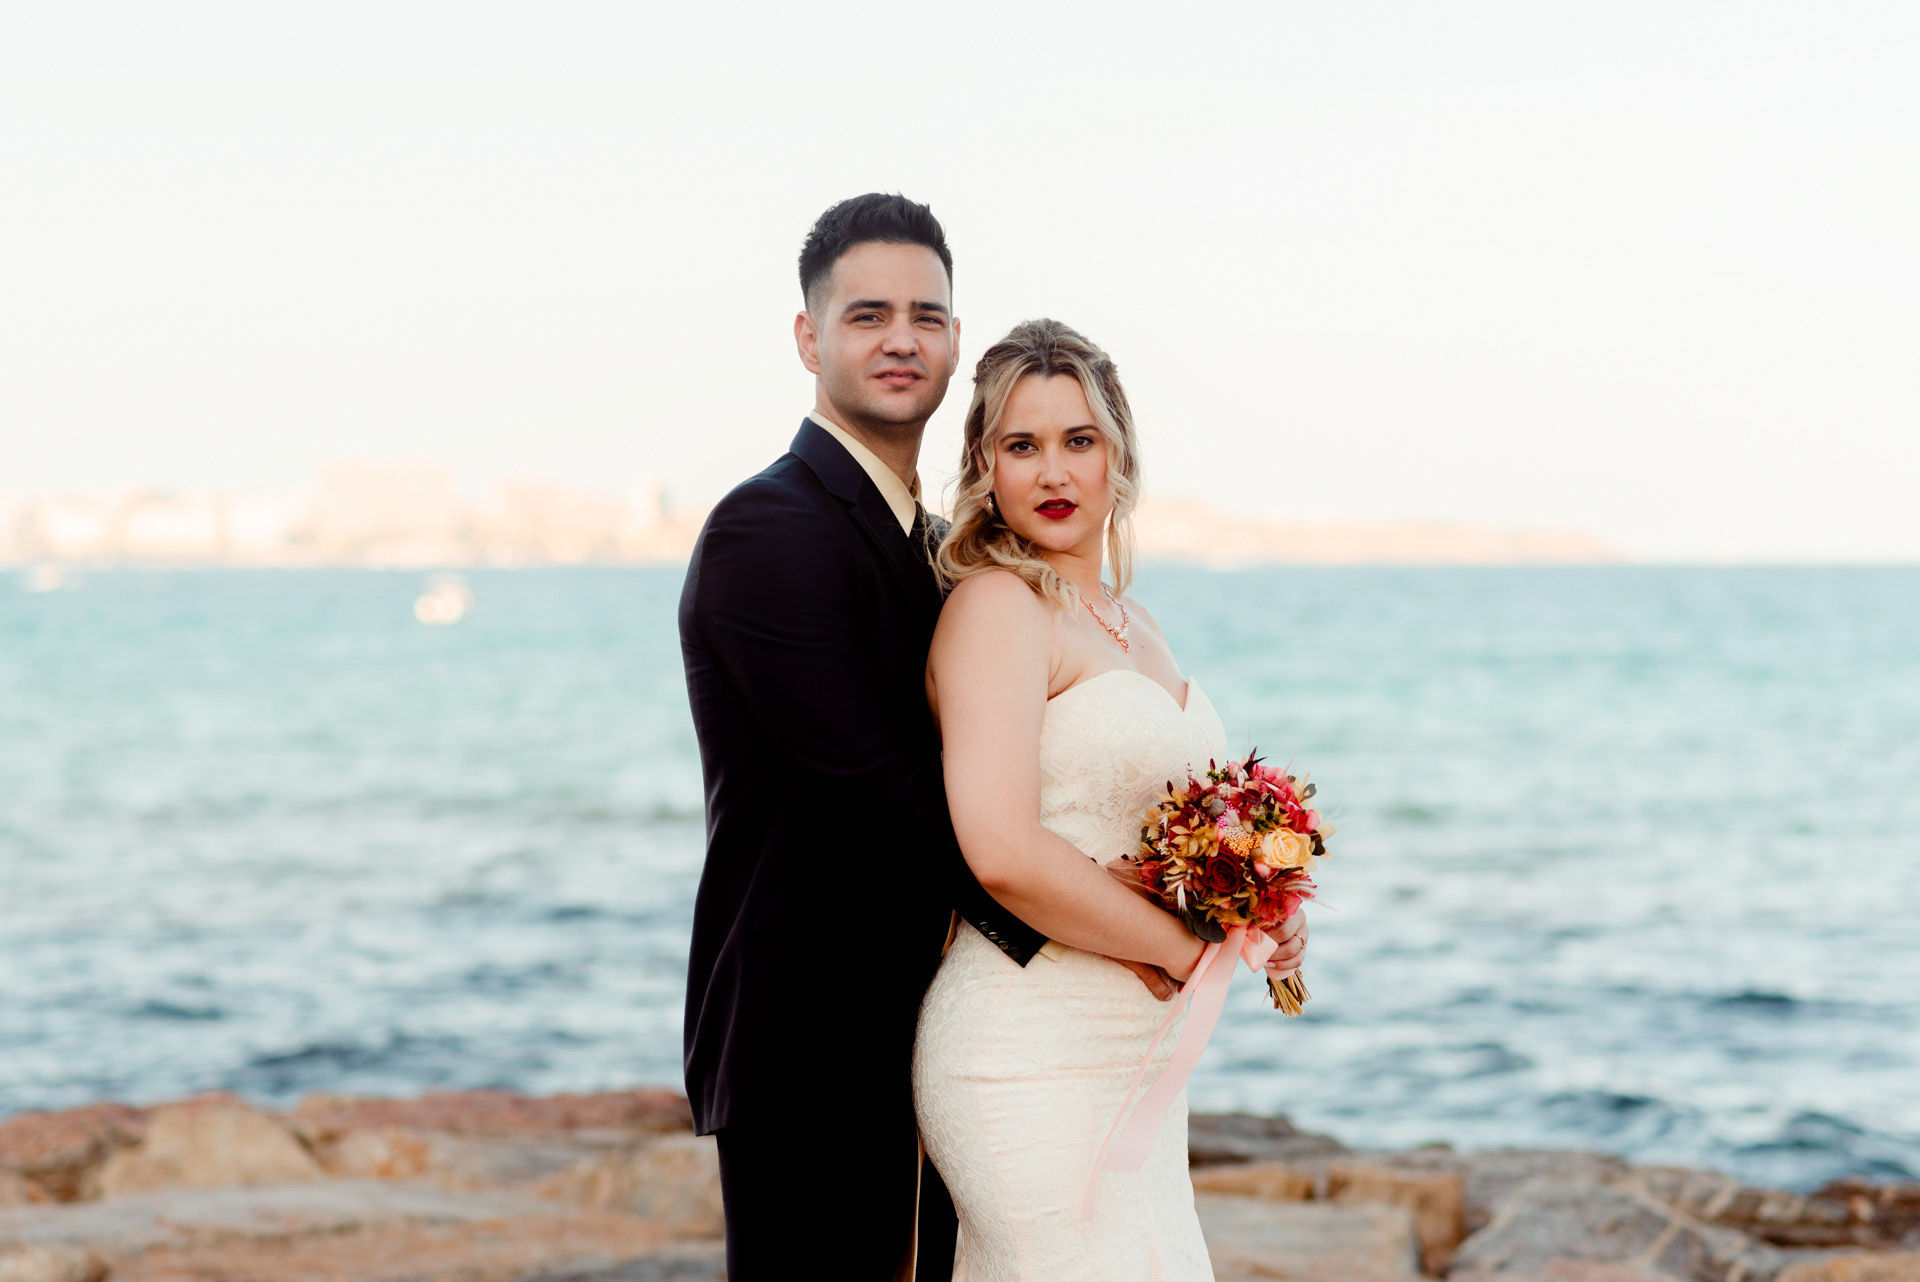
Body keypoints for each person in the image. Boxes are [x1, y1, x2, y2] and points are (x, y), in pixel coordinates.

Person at [679, 195, 1306, 1280]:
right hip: (813, 1035)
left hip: (964, 1014)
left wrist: (1238, 900)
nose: (900, 338)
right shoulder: (767, 530)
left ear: (954, 339)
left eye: (925, 315)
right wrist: (1148, 927)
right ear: (808, 338)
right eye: (868, 314)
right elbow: (885, 793)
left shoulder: (938, 550)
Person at [914, 318, 1306, 1278]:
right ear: (985, 467)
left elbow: (1162, 841)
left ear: (1118, 457)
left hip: (1139, 1066)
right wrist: (1183, 951)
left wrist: (1257, 915)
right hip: (1025, 1049)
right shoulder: (996, 608)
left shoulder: (1141, 625)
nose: (1053, 472)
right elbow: (999, 847)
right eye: (1022, 445)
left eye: (1078, 440)